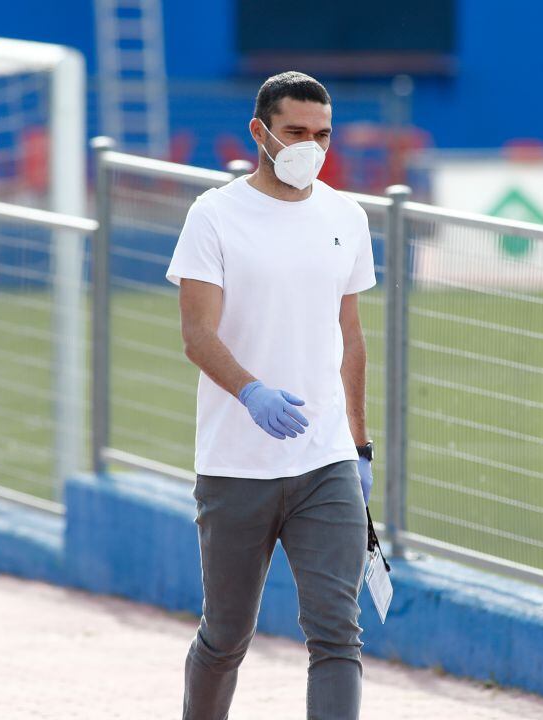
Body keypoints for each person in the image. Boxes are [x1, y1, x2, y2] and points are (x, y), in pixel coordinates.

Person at [165, 71, 377, 720]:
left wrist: (360, 446)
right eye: (295, 133)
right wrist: (252, 393)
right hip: (237, 465)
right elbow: (198, 335)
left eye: (321, 134)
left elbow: (351, 336)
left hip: (325, 462)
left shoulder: (346, 215)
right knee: (226, 636)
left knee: (337, 635)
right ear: (260, 133)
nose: (310, 146)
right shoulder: (216, 215)